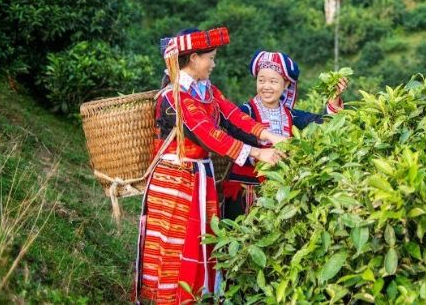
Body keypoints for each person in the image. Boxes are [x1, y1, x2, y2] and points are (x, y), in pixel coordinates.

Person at [135, 28, 287, 304]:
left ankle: (194, 298)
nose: (213, 64)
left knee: (199, 243)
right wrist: (257, 152)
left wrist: (271, 136)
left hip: (198, 177)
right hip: (175, 180)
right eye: (211, 58)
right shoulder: (174, 97)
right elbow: (206, 133)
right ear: (193, 58)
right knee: (176, 245)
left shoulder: (206, 91)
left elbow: (233, 116)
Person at [220, 50, 348, 219]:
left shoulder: (290, 115)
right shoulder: (244, 112)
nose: (266, 86)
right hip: (244, 193)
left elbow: (323, 124)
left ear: (286, 84)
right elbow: (228, 139)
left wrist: (334, 98)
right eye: (261, 80)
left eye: (273, 81)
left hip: (280, 192)